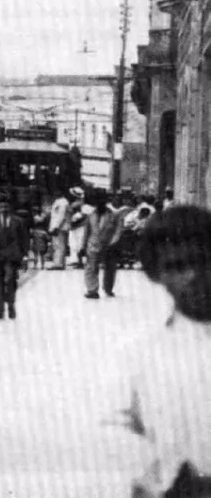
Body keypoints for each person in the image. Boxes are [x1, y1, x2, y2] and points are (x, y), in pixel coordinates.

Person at [116, 205, 211, 497]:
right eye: (176, 266)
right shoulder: (144, 352)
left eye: (202, 261)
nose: (193, 275)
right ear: (157, 275)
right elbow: (132, 439)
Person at [81, 188, 125, 299]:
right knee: (91, 268)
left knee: (110, 268)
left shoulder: (114, 215)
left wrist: (113, 243)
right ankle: (92, 290)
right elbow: (87, 231)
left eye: (102, 199)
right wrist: (83, 246)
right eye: (97, 200)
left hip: (109, 245)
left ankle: (108, 288)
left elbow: (118, 231)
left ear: (106, 201)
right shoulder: (91, 215)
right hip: (93, 245)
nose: (100, 202)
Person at [47, 188, 71, 270]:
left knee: (58, 245)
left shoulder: (63, 202)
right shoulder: (59, 201)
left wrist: (56, 227)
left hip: (60, 227)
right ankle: (60, 263)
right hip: (59, 226)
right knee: (60, 245)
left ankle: (58, 264)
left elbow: (61, 215)